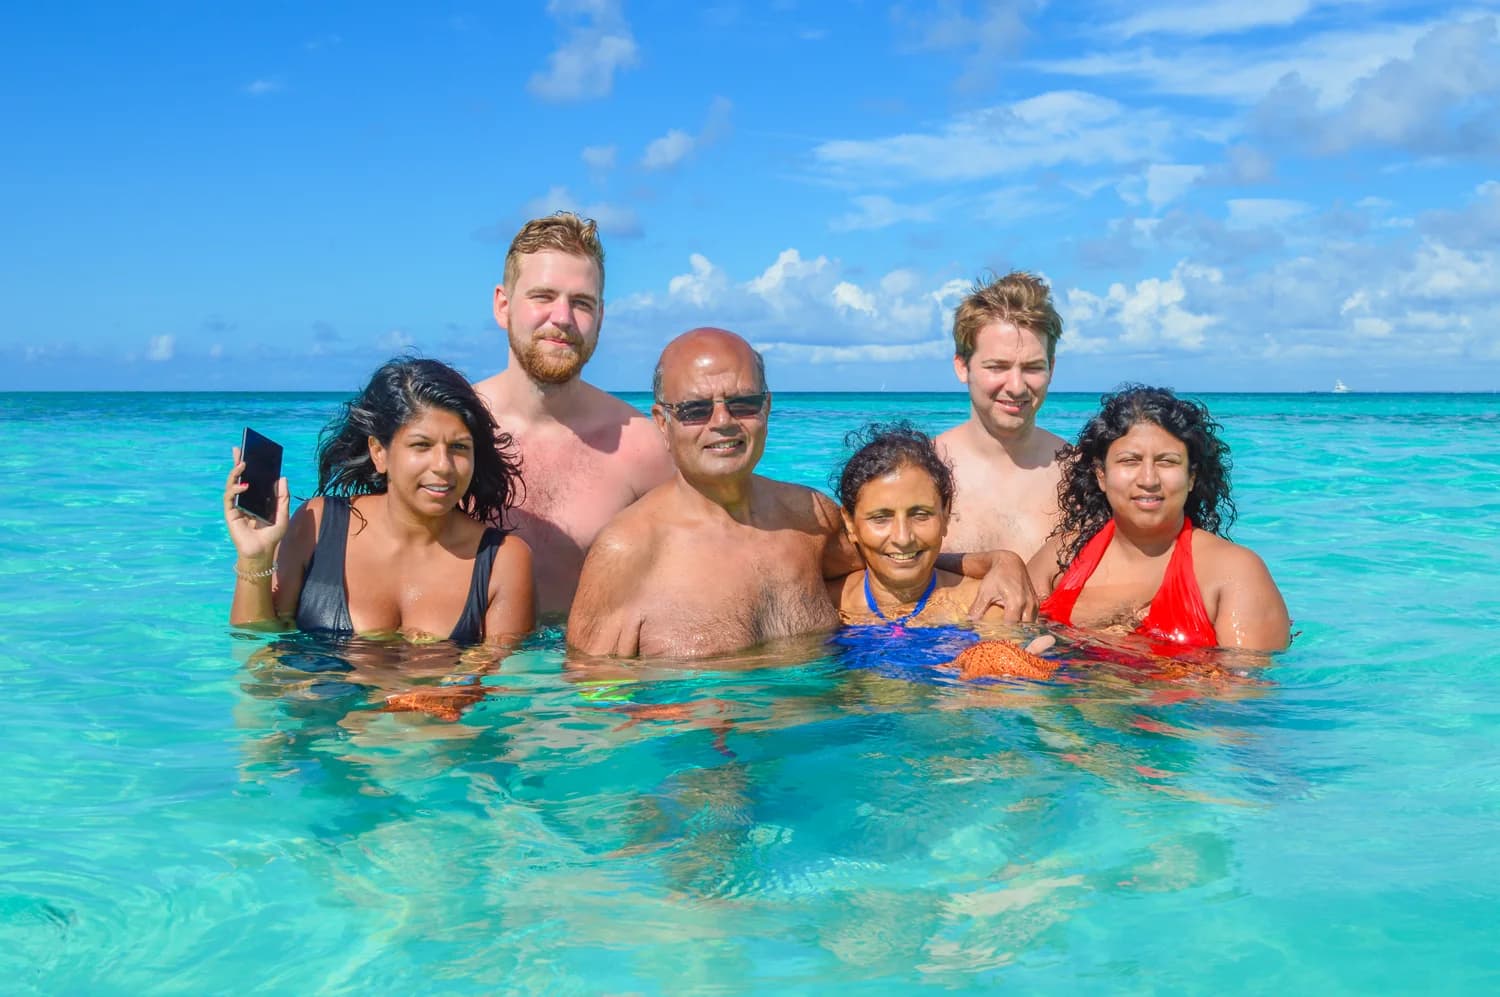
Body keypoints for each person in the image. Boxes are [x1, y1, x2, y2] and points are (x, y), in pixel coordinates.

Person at [566, 328, 1038, 659]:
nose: (723, 421)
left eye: (743, 402)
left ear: (767, 407)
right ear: (661, 422)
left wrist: (997, 561)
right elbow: (592, 702)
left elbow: (896, 557)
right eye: (694, 409)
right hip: (706, 779)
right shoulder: (628, 551)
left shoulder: (808, 518)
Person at [224, 357, 535, 646]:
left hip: (438, 707)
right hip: (323, 703)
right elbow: (257, 653)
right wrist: (255, 558)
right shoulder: (316, 526)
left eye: (459, 447)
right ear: (379, 452)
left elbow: (502, 687)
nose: (443, 465)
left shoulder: (503, 561)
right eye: (421, 445)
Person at [472, 212, 674, 617]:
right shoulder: (452, 432)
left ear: (600, 317)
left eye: (581, 303)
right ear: (503, 305)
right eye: (543, 297)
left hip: (590, 675)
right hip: (466, 671)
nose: (562, 318)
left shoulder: (643, 446)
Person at [1027, 385, 1290, 652]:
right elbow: (1004, 638)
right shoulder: (1062, 556)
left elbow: (1250, 689)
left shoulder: (1234, 572)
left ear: (1191, 477)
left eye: (1167, 462)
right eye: (1130, 461)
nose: (1148, 480)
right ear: (1101, 476)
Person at [826, 422, 1057, 680]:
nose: (903, 538)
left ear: (946, 515)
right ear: (849, 523)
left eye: (920, 514)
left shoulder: (986, 608)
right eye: (881, 518)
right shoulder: (825, 603)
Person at [935, 272, 1068, 560]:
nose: (1017, 386)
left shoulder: (1079, 474)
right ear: (962, 367)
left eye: (1033, 367)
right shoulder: (925, 469)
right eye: (997, 367)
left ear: (1051, 368)